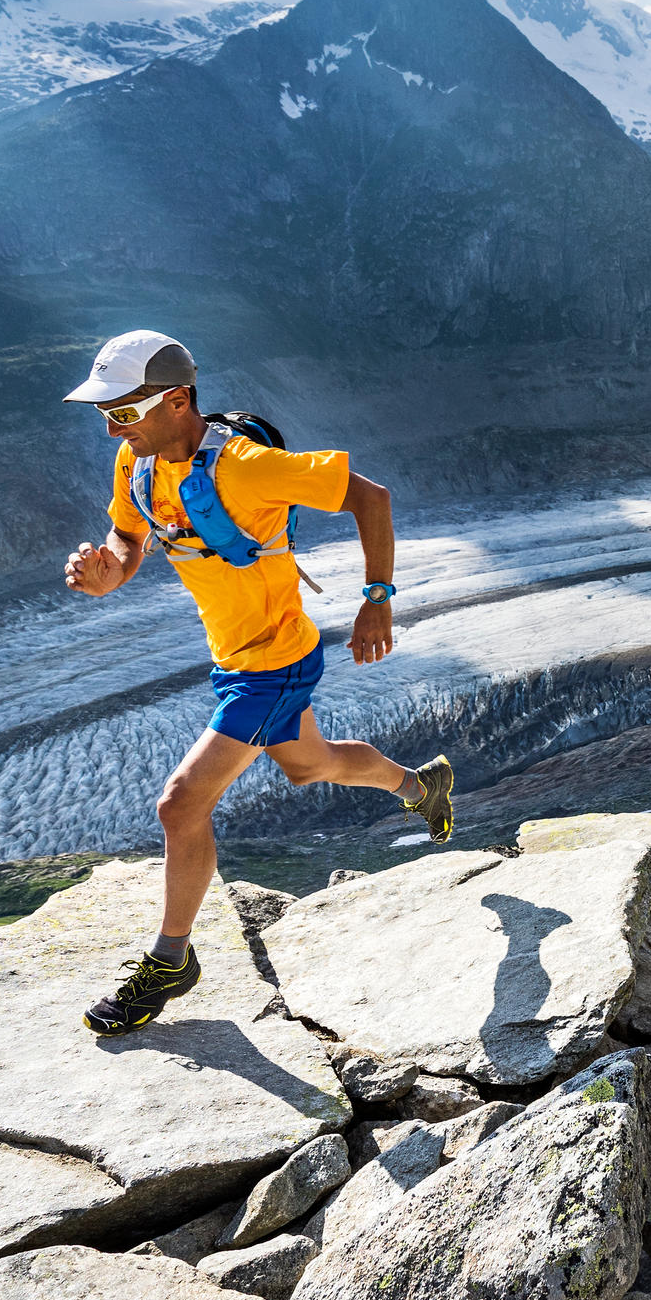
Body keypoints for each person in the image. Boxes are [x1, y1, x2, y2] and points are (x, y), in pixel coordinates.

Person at [58, 329, 453, 1036]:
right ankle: (422, 787)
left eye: (123, 411)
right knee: (312, 765)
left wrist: (378, 596)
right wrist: (102, 576)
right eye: (106, 414)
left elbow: (372, 497)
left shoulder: (246, 466)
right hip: (237, 659)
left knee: (180, 805)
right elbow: (126, 543)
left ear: (176, 400)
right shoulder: (136, 462)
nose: (112, 426)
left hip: (274, 663)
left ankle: (171, 959)